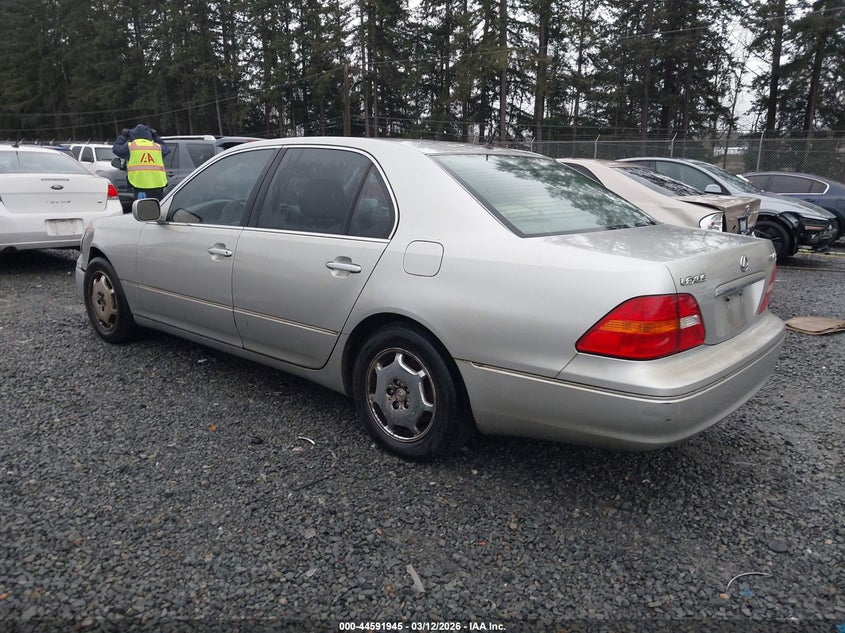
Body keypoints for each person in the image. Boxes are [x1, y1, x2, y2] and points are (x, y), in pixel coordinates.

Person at [112, 124, 170, 201]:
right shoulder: (157, 147)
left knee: (142, 207)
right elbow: (167, 149)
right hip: (157, 185)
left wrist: (123, 136)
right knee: (158, 207)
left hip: (140, 185)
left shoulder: (131, 146)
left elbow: (116, 149)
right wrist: (156, 136)